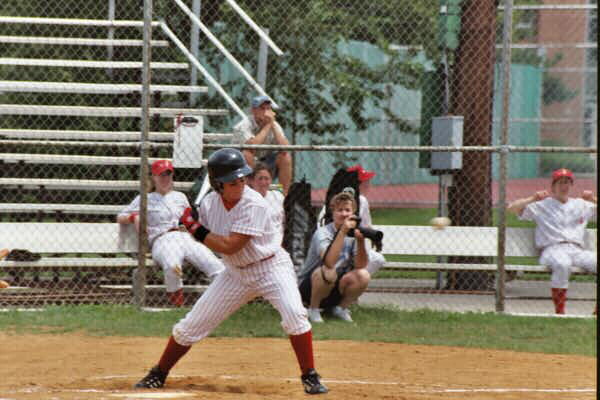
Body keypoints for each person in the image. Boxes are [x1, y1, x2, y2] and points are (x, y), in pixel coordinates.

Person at [134, 148, 328, 395]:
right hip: (235, 272)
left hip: (271, 267)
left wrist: (196, 229)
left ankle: (309, 375)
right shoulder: (208, 203)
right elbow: (199, 229)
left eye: (242, 179)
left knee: (294, 315)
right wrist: (189, 221)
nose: (240, 185)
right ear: (217, 184)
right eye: (232, 182)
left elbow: (230, 245)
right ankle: (158, 373)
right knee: (190, 325)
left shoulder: (254, 203)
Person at [117, 159, 224, 307]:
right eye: (161, 175)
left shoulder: (180, 197)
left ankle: (213, 305)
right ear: (153, 177)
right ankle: (178, 307)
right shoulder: (145, 198)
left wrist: (190, 222)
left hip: (185, 237)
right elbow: (120, 216)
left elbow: (188, 220)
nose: (165, 178)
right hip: (162, 240)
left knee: (217, 267)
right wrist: (134, 216)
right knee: (172, 267)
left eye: (168, 174)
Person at [507, 168, 597, 314]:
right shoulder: (542, 205)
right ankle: (560, 312)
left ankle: (596, 313)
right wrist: (532, 199)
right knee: (563, 264)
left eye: (567, 182)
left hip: (576, 249)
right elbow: (511, 208)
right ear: (553, 186)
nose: (564, 186)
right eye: (560, 182)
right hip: (552, 249)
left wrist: (592, 199)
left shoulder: (581, 204)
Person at [298, 192, 371, 323]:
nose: (344, 214)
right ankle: (313, 309)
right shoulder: (323, 233)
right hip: (311, 287)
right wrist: (342, 232)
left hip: (335, 285)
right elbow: (329, 263)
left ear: (353, 212)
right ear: (332, 212)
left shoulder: (354, 234)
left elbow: (361, 265)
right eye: (340, 210)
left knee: (363, 275)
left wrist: (360, 242)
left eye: (347, 210)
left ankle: (339, 309)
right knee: (328, 271)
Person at [233, 95, 292, 195]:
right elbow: (252, 146)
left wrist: (272, 125)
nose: (266, 112)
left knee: (285, 157)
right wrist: (268, 125)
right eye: (262, 108)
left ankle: (285, 196)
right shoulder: (243, 125)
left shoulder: (274, 125)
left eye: (268, 109)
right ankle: (247, 193)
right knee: (247, 154)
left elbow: (285, 148)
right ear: (253, 110)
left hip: (266, 163)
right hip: (242, 165)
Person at [345, 164, 385, 276]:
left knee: (377, 259)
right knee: (377, 259)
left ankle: (352, 282)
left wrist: (374, 237)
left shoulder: (361, 200)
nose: (368, 184)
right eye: (364, 181)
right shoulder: (360, 200)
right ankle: (354, 282)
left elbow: (367, 226)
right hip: (342, 245)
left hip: (351, 245)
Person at [247, 162, 285, 244]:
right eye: (260, 179)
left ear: (271, 180)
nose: (263, 182)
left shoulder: (278, 196)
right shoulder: (248, 199)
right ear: (252, 181)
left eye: (267, 179)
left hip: (278, 240)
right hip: (257, 241)